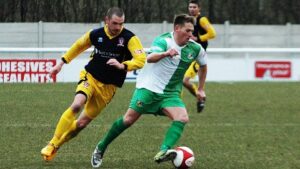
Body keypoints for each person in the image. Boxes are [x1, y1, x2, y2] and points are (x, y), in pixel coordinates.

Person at [91, 14, 208, 168]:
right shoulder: (163, 41)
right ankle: (100, 148)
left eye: (192, 31)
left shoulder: (195, 48)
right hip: (148, 89)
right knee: (128, 120)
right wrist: (166, 53)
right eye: (187, 31)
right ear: (177, 28)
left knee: (182, 117)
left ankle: (164, 151)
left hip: (170, 94)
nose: (190, 35)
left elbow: (204, 66)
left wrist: (200, 89)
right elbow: (150, 57)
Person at [40, 7, 146, 161]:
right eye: (115, 23)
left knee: (81, 124)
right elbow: (78, 46)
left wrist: (123, 65)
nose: (118, 27)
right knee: (76, 105)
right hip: (90, 77)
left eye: (121, 24)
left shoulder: (130, 38)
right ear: (107, 20)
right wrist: (62, 63)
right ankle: (52, 142)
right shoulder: (96, 34)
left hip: (108, 88)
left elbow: (141, 60)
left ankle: (57, 146)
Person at [183, 0, 216, 112]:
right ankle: (200, 97)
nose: (192, 9)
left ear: (199, 8)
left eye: (194, 7)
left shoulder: (202, 20)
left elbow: (212, 33)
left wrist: (199, 38)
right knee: (182, 80)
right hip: (188, 55)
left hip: (197, 57)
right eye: (190, 7)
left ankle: (200, 97)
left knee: (185, 80)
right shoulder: (188, 20)